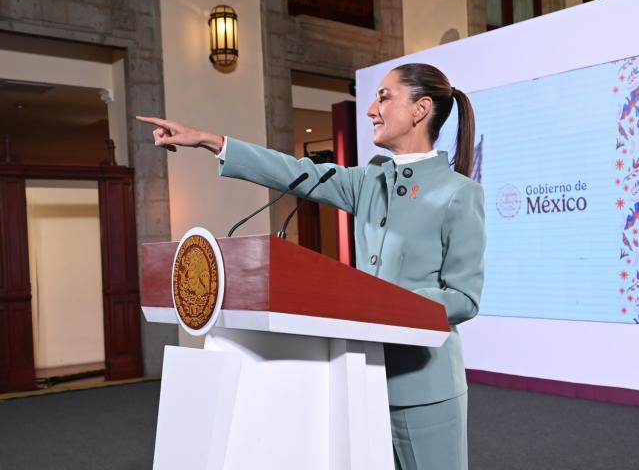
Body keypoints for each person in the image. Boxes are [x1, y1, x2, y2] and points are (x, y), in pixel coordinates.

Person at [138, 63, 485, 470]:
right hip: (361, 377)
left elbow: (463, 297)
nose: (371, 109)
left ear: (420, 108)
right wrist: (212, 142)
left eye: (384, 97)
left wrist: (383, 301)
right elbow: (296, 173)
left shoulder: (460, 194)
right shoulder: (368, 181)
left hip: (425, 385)